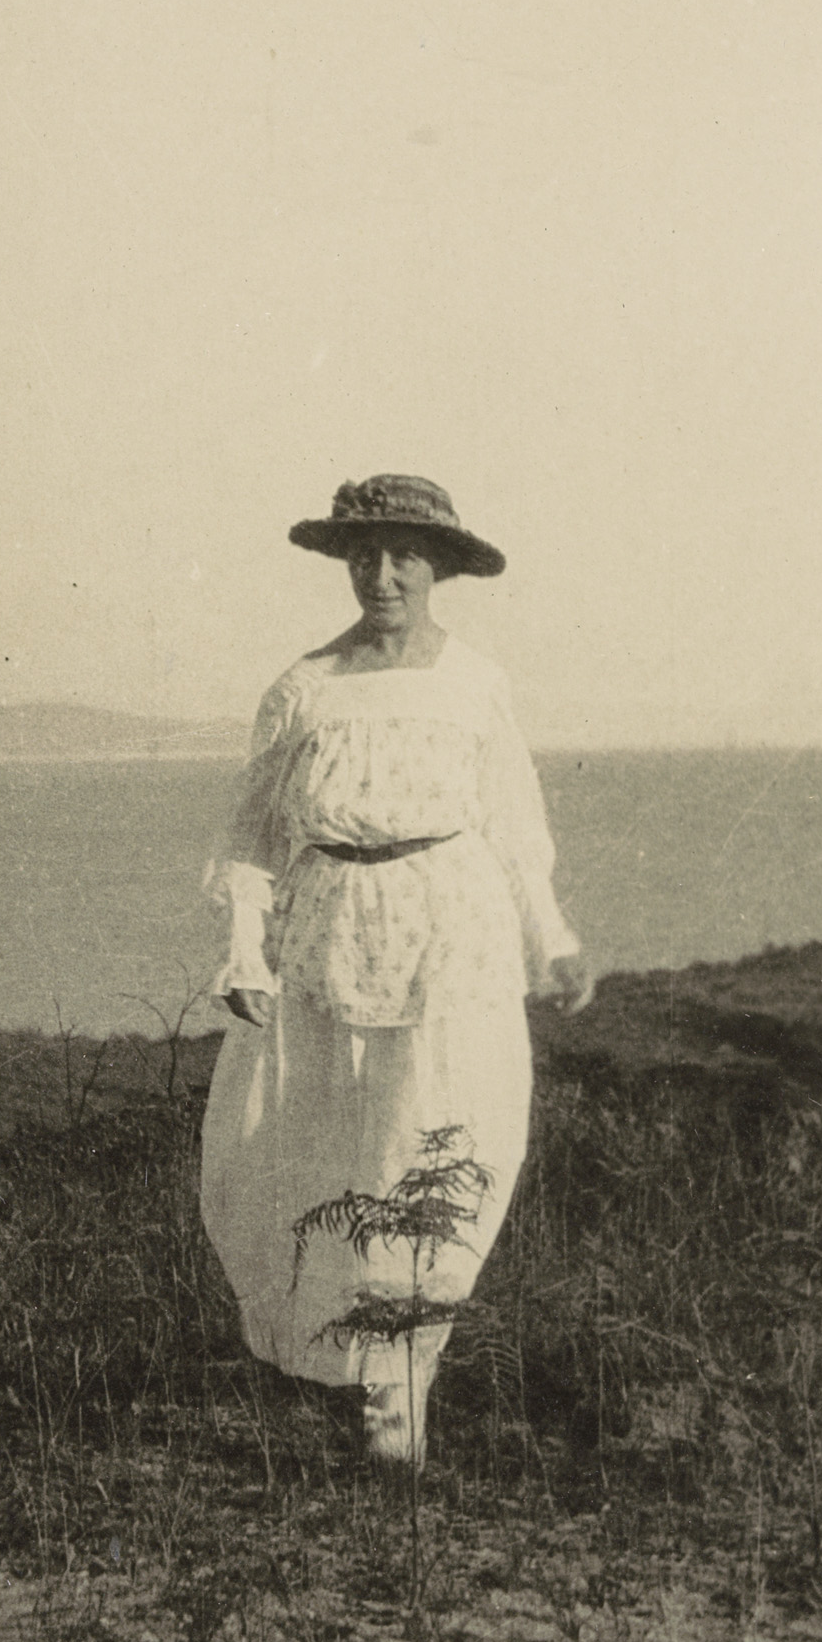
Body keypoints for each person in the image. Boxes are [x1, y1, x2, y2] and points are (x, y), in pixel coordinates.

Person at [199, 475, 588, 1470]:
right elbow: (252, 832)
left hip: (449, 936)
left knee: (435, 1143)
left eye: (404, 555)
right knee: (316, 1152)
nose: (382, 575)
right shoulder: (304, 687)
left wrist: (550, 938)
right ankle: (327, 1363)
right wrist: (243, 948)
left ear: (439, 567)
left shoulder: (475, 684)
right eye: (364, 555)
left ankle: (399, 1391)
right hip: (326, 935)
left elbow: (513, 824)